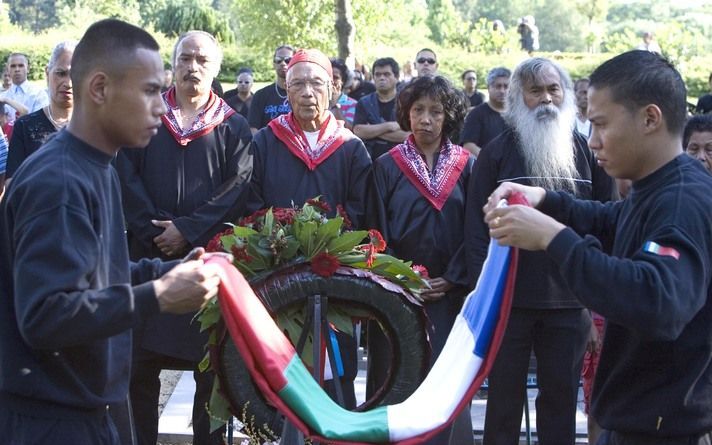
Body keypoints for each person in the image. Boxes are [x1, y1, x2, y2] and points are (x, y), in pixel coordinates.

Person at [0, 18, 224, 445]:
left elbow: (96, 275)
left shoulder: (98, 166)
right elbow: (46, 316)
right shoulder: (58, 182)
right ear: (99, 89)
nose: (163, 106)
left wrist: (166, 272)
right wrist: (157, 297)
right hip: (52, 418)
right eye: (150, 91)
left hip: (91, 408)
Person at [483, 49, 712, 445]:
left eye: (602, 125)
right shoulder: (658, 187)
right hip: (636, 419)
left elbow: (657, 299)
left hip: (667, 428)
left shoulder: (681, 202)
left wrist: (552, 237)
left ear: (650, 119)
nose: (593, 142)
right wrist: (545, 199)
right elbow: (612, 221)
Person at [464, 57, 615, 445]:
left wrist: (594, 302)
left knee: (561, 404)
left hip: (570, 303)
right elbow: (475, 231)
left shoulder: (588, 152)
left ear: (566, 95)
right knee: (502, 403)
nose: (546, 99)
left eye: (553, 89)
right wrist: (486, 298)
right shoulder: (496, 153)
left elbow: (604, 222)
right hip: (508, 303)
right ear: (518, 98)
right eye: (535, 91)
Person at [115, 30, 252, 445]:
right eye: (185, 58)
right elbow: (124, 174)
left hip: (204, 264)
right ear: (172, 63)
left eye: (202, 60)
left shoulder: (234, 126)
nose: (193, 67)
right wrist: (156, 231)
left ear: (216, 67)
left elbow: (239, 186)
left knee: (209, 375)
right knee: (139, 372)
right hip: (146, 259)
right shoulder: (145, 115)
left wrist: (187, 230)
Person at [246, 48, 372, 408]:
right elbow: (251, 203)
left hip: (333, 278)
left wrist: (335, 247)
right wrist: (274, 243)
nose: (307, 92)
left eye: (316, 83)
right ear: (285, 92)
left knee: (334, 377)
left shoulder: (351, 149)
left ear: (333, 89)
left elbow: (363, 214)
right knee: (277, 375)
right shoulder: (265, 142)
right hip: (277, 276)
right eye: (296, 84)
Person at [368, 75, 473, 445]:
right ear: (406, 114)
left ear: (449, 117)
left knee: (448, 384)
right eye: (418, 110)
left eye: (436, 111)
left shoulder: (467, 166)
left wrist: (454, 277)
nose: (426, 119)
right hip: (400, 295)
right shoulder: (385, 166)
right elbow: (375, 232)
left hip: (452, 295)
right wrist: (404, 275)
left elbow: (477, 232)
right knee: (400, 381)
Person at [6, 41, 75, 178]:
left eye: (74, 74)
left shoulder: (97, 129)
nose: (68, 83)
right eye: (61, 73)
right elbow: (12, 182)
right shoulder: (25, 127)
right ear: (47, 72)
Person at [353, 57, 410, 160]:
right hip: (369, 160)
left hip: (401, 160)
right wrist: (389, 126)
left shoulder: (406, 103)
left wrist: (372, 131)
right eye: (378, 74)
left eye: (387, 74)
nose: (382, 78)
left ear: (396, 77)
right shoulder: (364, 102)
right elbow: (358, 131)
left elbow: (409, 136)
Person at [460, 66, 510, 156]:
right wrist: (491, 160)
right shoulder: (476, 114)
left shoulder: (517, 115)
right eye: (498, 86)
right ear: (488, 88)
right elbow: (468, 146)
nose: (502, 91)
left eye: (506, 86)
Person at [247, 44, 293, 134]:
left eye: (288, 60)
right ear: (274, 64)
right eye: (278, 60)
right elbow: (253, 128)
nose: (283, 63)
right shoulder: (260, 95)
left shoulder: (302, 95)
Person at [2, 52, 47, 122]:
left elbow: (41, 120)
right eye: (13, 66)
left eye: (21, 65)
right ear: (8, 69)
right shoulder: (2, 97)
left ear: (28, 68)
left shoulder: (39, 94)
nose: (17, 69)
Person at [330, 58, 357, 130]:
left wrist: (335, 105)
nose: (331, 81)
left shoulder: (352, 104)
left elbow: (350, 130)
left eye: (335, 77)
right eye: (329, 76)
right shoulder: (317, 101)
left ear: (343, 81)